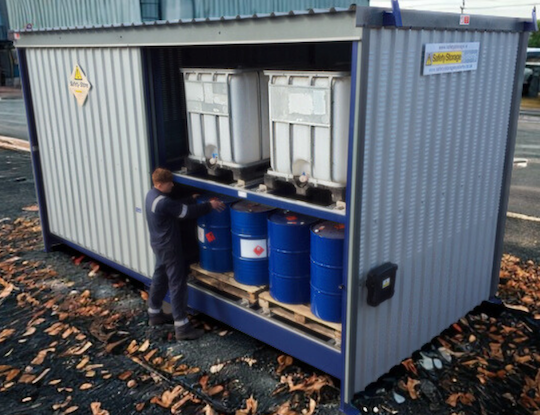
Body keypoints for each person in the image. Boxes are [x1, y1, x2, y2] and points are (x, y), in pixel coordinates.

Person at [145, 168, 225, 340]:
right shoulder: (163, 202)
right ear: (160, 184)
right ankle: (182, 328)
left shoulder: (151, 195)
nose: (172, 185)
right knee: (177, 284)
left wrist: (190, 199)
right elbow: (186, 212)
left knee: (159, 277)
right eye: (169, 183)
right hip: (170, 248)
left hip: (158, 245)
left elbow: (174, 207)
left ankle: (154, 313)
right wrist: (209, 206)